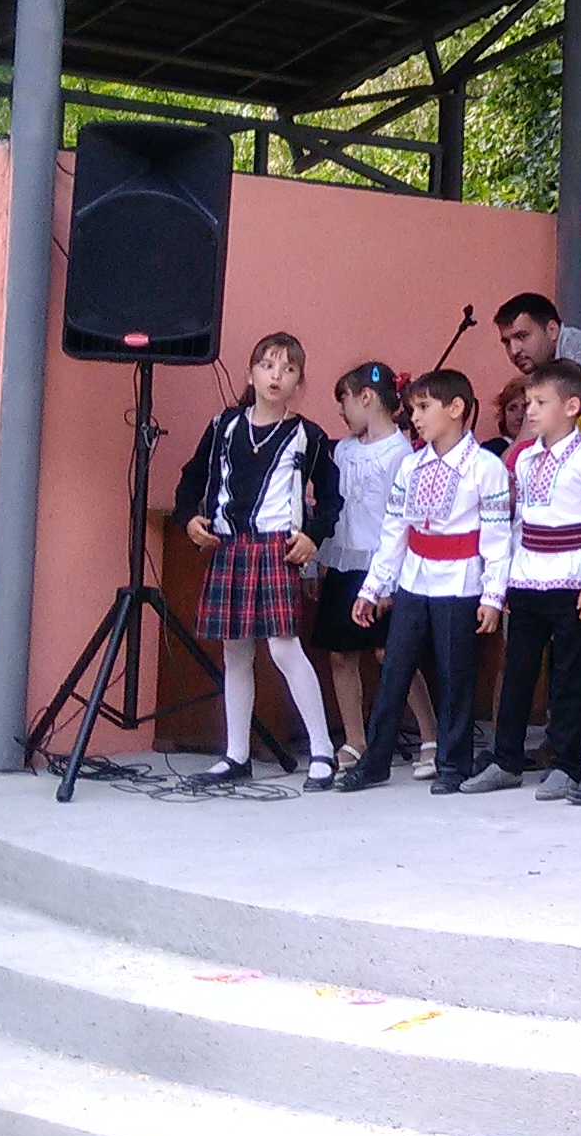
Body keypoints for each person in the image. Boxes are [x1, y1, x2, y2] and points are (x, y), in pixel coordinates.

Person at [175, 333, 342, 787]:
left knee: (285, 647)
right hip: (229, 545)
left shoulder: (307, 436)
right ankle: (236, 755)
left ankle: (322, 751)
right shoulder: (223, 426)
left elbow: (331, 498)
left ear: (298, 382)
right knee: (235, 652)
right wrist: (189, 518)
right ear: (250, 374)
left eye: (288, 369)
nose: (276, 376)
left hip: (274, 548)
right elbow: (191, 478)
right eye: (267, 366)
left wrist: (313, 536)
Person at [337, 369, 508, 792]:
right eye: (413, 408)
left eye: (424, 407)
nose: (415, 417)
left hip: (461, 582)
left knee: (455, 675)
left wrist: (492, 595)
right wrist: (373, 588)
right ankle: (375, 760)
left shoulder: (485, 467)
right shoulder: (411, 465)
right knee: (394, 669)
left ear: (456, 409)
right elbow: (394, 530)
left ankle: (452, 764)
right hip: (414, 578)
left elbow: (497, 536)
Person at [463, 358, 581, 796]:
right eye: (528, 402)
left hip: (572, 578)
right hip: (528, 577)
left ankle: (567, 763)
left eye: (540, 402)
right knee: (517, 671)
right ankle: (506, 759)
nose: (530, 410)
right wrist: (507, 579)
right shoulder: (525, 459)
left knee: (570, 675)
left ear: (571, 406)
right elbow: (516, 522)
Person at [309, 362, 411, 775]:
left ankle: (429, 734)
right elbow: (335, 508)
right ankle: (355, 738)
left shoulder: (400, 453)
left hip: (381, 565)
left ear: (366, 398)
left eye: (345, 402)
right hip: (345, 561)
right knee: (341, 653)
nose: (341, 412)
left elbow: (399, 521)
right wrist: (319, 560)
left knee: (392, 654)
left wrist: (389, 582)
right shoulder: (344, 451)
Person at [497, 293, 581, 415]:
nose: (514, 350)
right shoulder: (552, 364)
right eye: (507, 342)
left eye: (522, 336)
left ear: (552, 330)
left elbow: (579, 423)